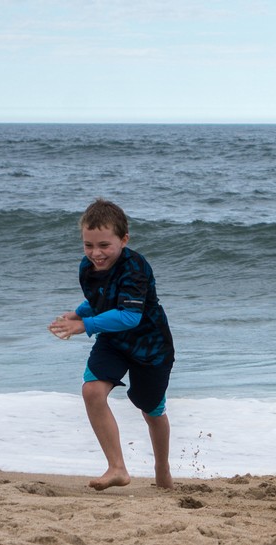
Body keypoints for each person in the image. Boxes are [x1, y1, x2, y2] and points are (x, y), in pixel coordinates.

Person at [48, 198, 176, 491]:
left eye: (104, 245)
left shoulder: (136, 267)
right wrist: (81, 312)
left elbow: (130, 315)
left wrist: (85, 325)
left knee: (151, 410)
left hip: (150, 346)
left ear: (124, 239)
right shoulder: (88, 267)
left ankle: (162, 467)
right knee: (92, 390)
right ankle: (117, 467)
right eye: (88, 245)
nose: (96, 253)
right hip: (114, 342)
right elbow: (102, 299)